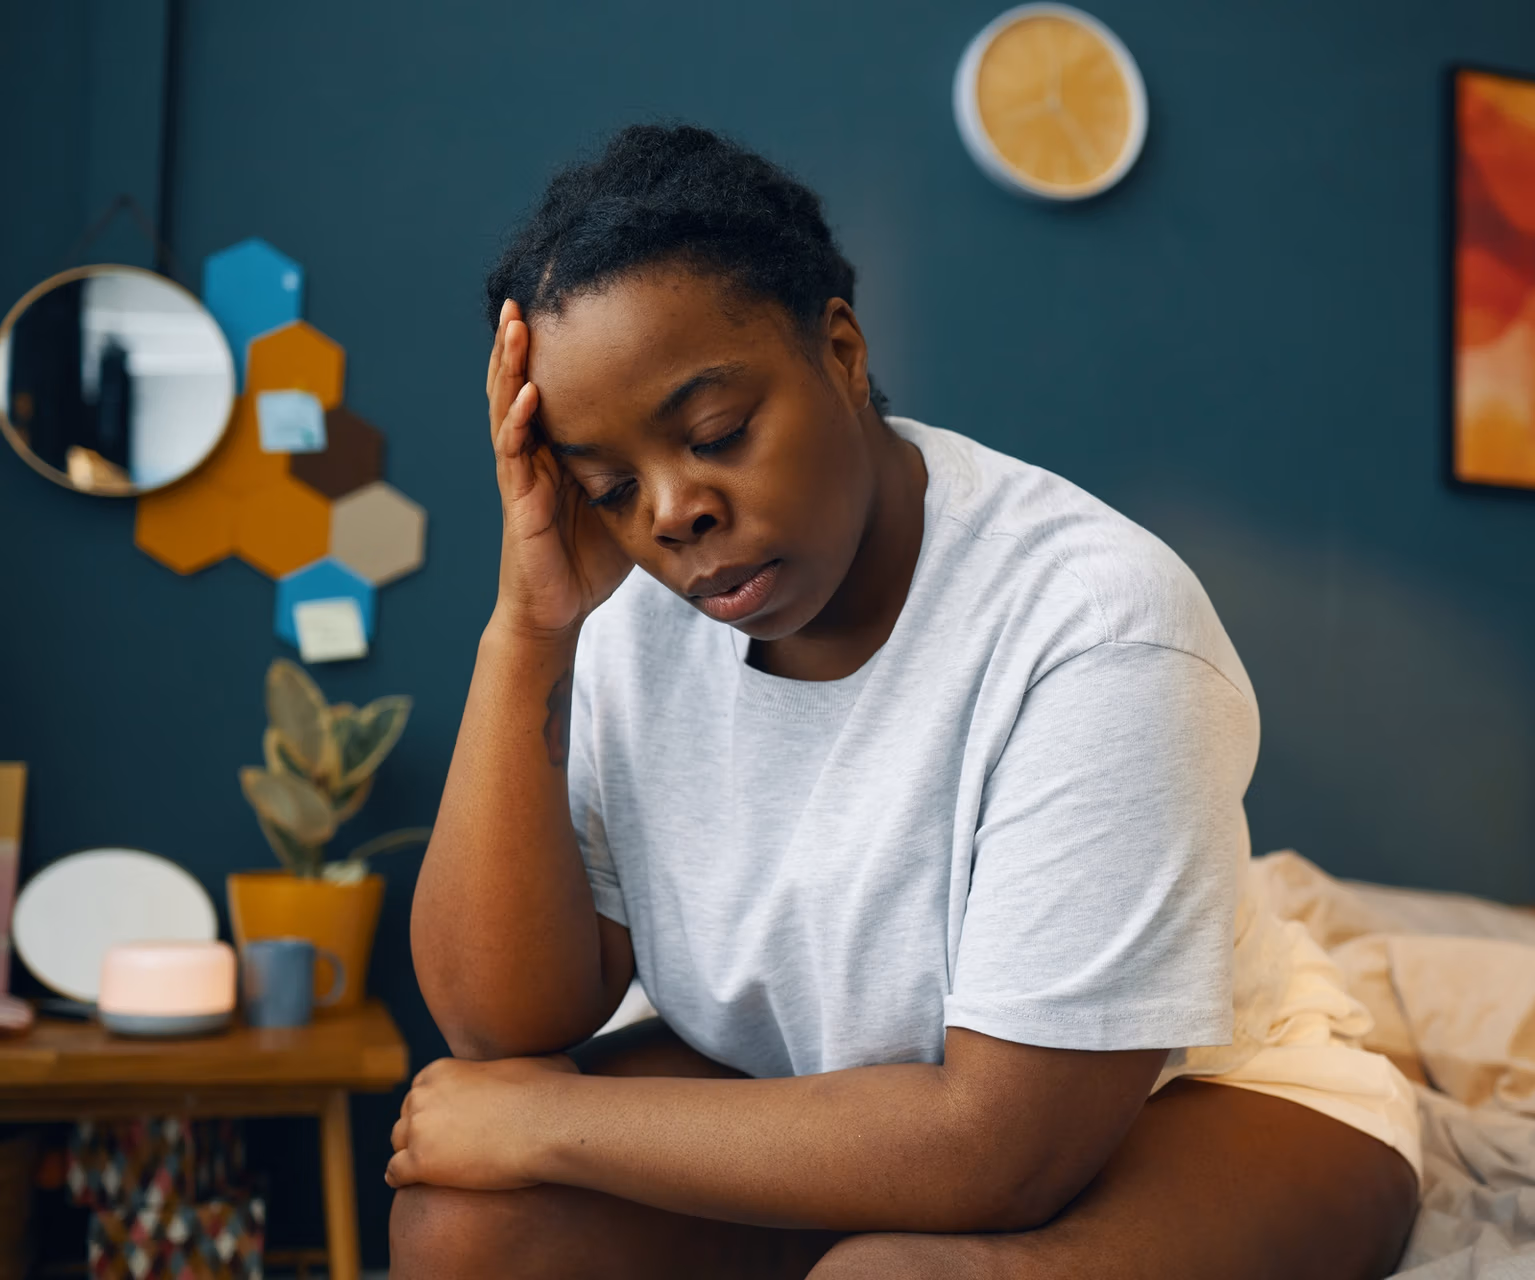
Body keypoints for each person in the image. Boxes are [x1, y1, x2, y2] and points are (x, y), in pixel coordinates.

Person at [393, 124, 1419, 1279]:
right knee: (466, 1224)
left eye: (717, 432)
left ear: (839, 351)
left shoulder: (1099, 621)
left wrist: (550, 1122)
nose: (674, 511)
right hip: (826, 1091)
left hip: (1198, 1098)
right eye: (610, 485)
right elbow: (501, 1021)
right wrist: (528, 632)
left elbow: (1001, 1143)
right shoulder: (640, 605)